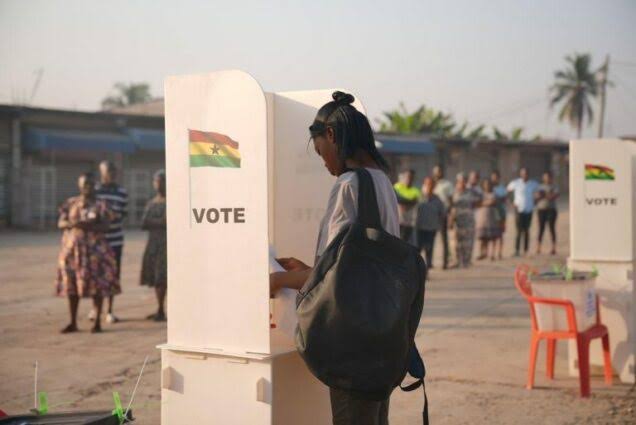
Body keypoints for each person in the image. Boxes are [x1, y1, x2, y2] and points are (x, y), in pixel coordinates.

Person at [269, 91, 398, 424]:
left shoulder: (349, 185)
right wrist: (309, 269)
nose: (325, 164)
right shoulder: (383, 182)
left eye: (322, 152)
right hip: (383, 334)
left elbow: (333, 278)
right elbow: (359, 265)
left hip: (352, 343)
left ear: (331, 136)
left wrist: (278, 280)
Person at [55, 172, 120, 333]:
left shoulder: (101, 204)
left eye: (90, 184)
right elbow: (60, 222)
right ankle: (73, 322)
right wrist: (72, 223)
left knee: (96, 286)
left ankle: (97, 321)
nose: (88, 187)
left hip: (95, 252)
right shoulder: (71, 203)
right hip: (73, 252)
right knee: (71, 286)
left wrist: (87, 226)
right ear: (79, 185)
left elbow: (106, 225)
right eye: (85, 184)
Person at [91, 160, 128, 324]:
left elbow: (122, 214)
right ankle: (95, 308)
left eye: (113, 171)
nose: (111, 174)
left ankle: (110, 310)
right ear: (101, 172)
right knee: (95, 275)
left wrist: (111, 215)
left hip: (115, 240)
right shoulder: (95, 191)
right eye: (108, 171)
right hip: (97, 241)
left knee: (113, 275)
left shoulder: (122, 192)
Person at [140, 170, 167, 321]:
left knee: (163, 278)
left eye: (162, 181)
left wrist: (154, 222)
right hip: (153, 244)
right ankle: (159, 308)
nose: (159, 184)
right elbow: (144, 223)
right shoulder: (152, 203)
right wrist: (159, 222)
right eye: (157, 181)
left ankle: (162, 310)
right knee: (157, 278)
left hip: (166, 244)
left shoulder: (173, 202)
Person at [507, 167, 539, 257]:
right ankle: (517, 250)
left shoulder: (533, 184)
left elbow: (539, 193)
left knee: (527, 230)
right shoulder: (516, 183)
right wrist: (511, 203)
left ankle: (526, 250)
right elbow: (508, 192)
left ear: (528, 174)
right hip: (518, 210)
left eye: (526, 173)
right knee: (518, 231)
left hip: (529, 209)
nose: (524, 175)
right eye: (522, 173)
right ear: (520, 174)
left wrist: (535, 202)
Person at [449, 173, 477, 268]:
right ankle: (456, 261)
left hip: (468, 222)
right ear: (457, 183)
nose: (462, 183)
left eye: (464, 181)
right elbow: (451, 206)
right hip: (457, 221)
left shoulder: (471, 192)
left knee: (468, 243)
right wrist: (451, 220)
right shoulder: (453, 193)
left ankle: (466, 261)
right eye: (460, 182)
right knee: (455, 243)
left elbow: (479, 201)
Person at [415, 177, 445, 268]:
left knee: (429, 249)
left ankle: (427, 268)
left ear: (434, 186)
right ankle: (417, 269)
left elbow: (442, 213)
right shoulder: (418, 197)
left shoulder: (437, 199)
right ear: (424, 185)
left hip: (431, 228)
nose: (429, 186)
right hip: (419, 228)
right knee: (417, 250)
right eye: (427, 184)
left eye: (431, 184)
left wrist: (441, 225)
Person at [432, 165, 453, 269]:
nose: (437, 173)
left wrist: (450, 216)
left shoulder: (447, 184)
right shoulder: (430, 184)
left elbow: (450, 201)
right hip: (431, 215)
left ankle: (445, 262)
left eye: (438, 171)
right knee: (430, 238)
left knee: (444, 239)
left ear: (442, 172)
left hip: (442, 214)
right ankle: (429, 262)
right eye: (435, 171)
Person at [475, 179, 502, 261]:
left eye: (489, 184)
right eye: (485, 184)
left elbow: (493, 202)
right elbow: (477, 203)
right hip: (482, 218)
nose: (487, 186)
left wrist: (484, 203)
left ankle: (492, 254)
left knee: (493, 237)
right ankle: (483, 253)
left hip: (492, 218)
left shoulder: (494, 194)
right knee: (482, 237)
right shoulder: (480, 194)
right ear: (483, 185)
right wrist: (487, 202)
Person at [535, 171, 559, 255]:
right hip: (541, 209)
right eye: (545, 177)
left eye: (548, 177)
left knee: (552, 228)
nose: (547, 179)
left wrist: (543, 195)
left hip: (551, 209)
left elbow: (553, 197)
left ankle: (553, 248)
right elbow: (536, 197)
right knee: (541, 229)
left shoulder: (554, 186)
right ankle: (538, 247)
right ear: (543, 178)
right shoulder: (539, 187)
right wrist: (547, 195)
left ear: (551, 178)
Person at [393, 169, 420, 244]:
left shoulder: (415, 191)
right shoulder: (397, 187)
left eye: (411, 177)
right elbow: (397, 198)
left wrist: (403, 203)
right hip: (397, 222)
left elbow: (414, 201)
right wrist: (408, 202)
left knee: (405, 243)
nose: (409, 179)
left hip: (408, 223)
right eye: (407, 177)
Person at [490, 170, 507, 260]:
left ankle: (500, 252)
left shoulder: (502, 188)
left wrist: (496, 199)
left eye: (495, 177)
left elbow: (504, 199)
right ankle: (492, 253)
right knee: (493, 234)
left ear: (498, 178)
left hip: (501, 212)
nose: (494, 179)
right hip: (492, 214)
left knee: (500, 233)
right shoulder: (490, 188)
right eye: (492, 177)